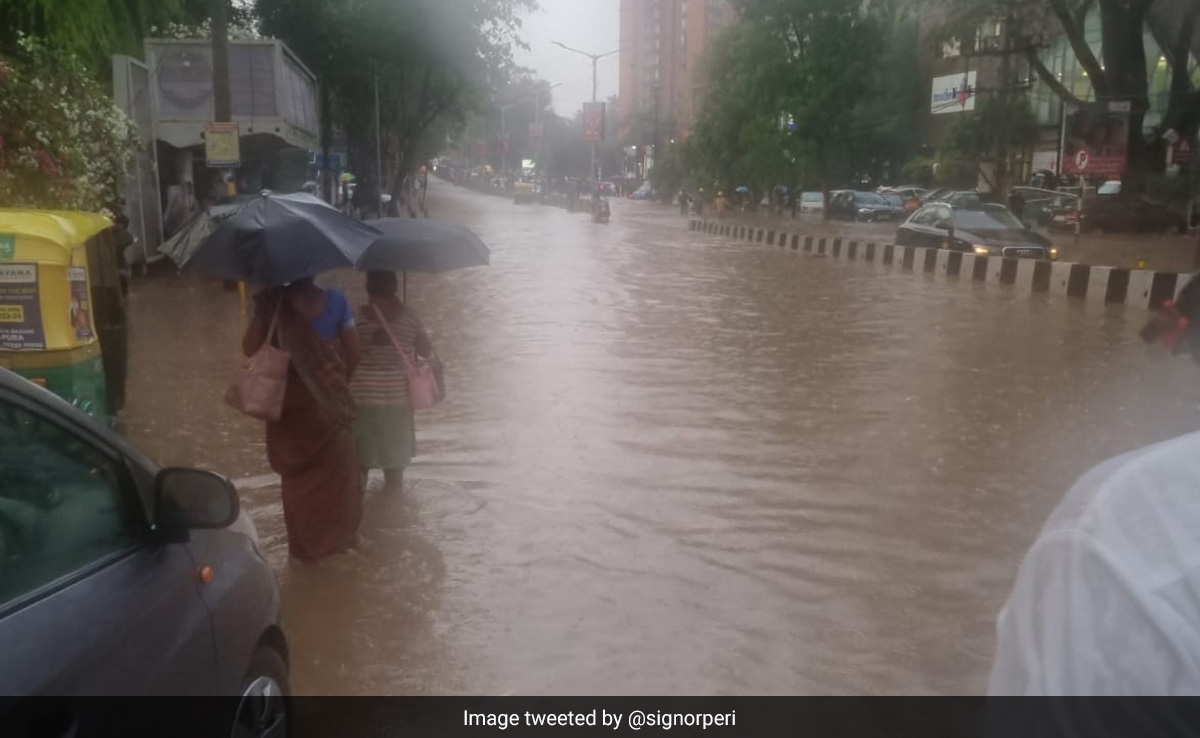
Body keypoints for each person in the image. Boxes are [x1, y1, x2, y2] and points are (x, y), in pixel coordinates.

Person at [241, 278, 363, 563]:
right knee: (339, 479)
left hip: (289, 412)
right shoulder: (336, 301)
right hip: (329, 408)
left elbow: (249, 348)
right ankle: (340, 546)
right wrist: (335, 386)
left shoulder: (271, 304)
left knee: (296, 482)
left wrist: (263, 312)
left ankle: (305, 554)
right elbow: (355, 353)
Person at [350, 271, 432, 492]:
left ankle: (359, 518)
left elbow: (346, 354)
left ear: (368, 287)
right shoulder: (410, 317)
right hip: (398, 399)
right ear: (395, 287)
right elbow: (425, 351)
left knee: (360, 465)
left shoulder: (355, 317)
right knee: (394, 469)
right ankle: (394, 514)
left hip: (362, 398)